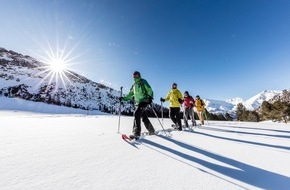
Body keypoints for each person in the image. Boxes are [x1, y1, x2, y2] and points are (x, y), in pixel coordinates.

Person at [120, 71, 155, 139]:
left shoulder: (143, 82)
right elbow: (130, 95)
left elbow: (149, 89)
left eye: (136, 75)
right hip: (137, 103)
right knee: (143, 117)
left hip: (144, 101)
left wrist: (150, 97)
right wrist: (123, 99)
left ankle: (136, 133)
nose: (135, 76)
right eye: (133, 75)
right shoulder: (134, 86)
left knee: (136, 114)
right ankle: (151, 130)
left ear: (139, 75)